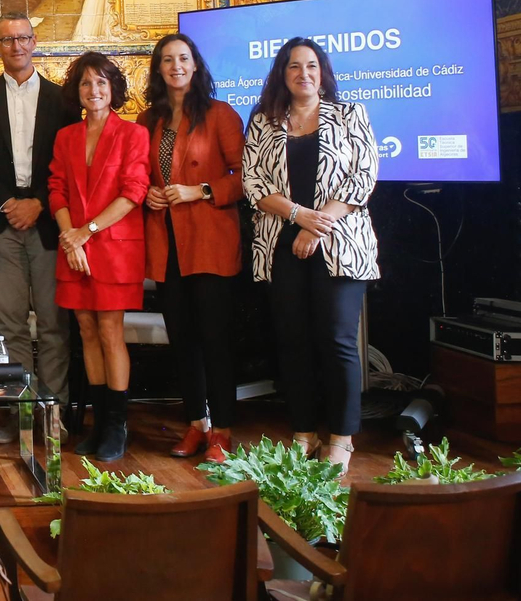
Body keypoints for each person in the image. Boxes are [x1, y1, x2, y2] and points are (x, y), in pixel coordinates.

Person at [242, 38, 380, 471]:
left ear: (323, 72)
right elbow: (253, 184)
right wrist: (299, 217)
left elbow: (364, 175)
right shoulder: (264, 121)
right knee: (293, 342)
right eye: (294, 67)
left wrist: (318, 224)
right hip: (280, 243)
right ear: (282, 74)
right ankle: (302, 432)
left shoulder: (349, 114)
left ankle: (341, 438)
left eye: (312, 66)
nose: (304, 73)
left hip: (340, 242)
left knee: (338, 340)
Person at [0, 14, 80, 445]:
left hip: (52, 223)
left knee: (52, 322)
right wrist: (5, 204)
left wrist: (41, 205)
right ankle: (21, 414)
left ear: (35, 43)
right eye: (7, 40)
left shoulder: (64, 99)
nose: (16, 46)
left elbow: (72, 168)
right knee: (10, 322)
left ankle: (54, 412)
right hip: (1, 221)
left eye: (24, 38)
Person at [138, 33, 245, 464]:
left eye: (183, 58)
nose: (175, 66)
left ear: (195, 65)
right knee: (182, 342)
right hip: (166, 244)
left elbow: (246, 177)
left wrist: (199, 190)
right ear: (158, 69)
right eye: (167, 60)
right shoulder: (148, 119)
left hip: (210, 241)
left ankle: (222, 431)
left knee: (215, 340)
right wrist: (148, 192)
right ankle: (195, 424)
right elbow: (137, 175)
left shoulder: (219, 114)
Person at [47, 51, 148, 462]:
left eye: (102, 83)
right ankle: (98, 422)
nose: (94, 90)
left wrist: (84, 233)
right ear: (78, 90)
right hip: (74, 249)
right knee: (86, 332)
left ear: (113, 89)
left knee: (110, 333)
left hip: (113, 249)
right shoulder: (66, 136)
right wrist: (70, 239)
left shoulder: (132, 134)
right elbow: (56, 189)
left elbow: (133, 193)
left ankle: (116, 426)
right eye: (87, 83)